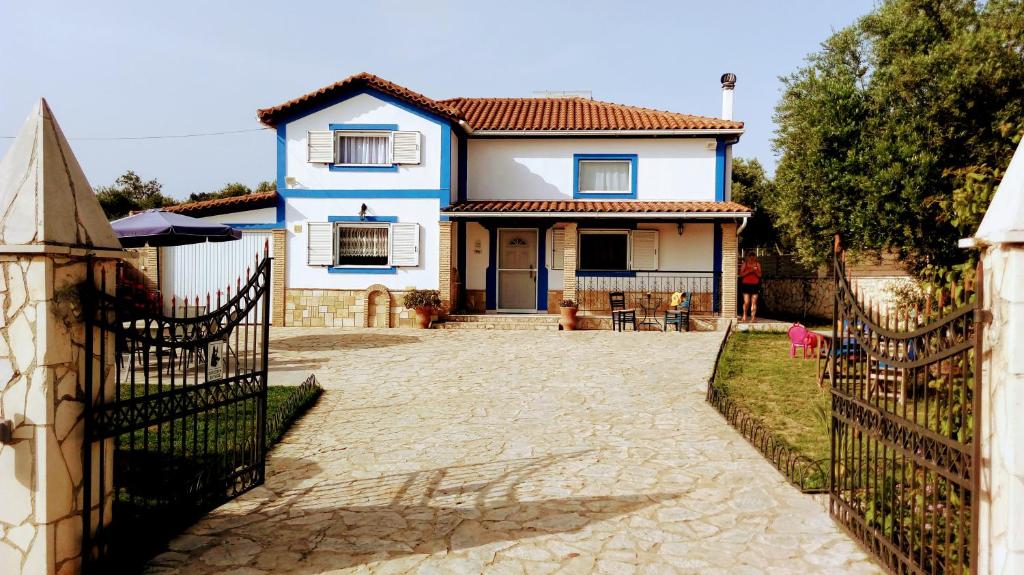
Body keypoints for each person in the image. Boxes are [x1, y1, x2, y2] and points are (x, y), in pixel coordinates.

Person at [738, 252, 762, 322]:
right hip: (746, 285)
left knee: (754, 302)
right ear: (748, 257)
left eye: (753, 258)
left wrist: (755, 272)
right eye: (750, 257)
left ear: (755, 258)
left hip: (755, 285)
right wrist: (748, 271)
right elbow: (741, 275)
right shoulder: (744, 264)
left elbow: (760, 275)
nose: (752, 259)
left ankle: (753, 318)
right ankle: (744, 315)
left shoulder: (757, 264)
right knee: (746, 302)